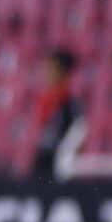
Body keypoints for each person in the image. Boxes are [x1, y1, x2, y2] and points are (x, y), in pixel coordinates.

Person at [32, 49, 84, 177]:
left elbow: (78, 133)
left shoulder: (69, 102)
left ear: (62, 72)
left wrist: (66, 160)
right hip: (42, 159)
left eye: (52, 69)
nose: (47, 73)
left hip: (59, 164)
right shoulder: (46, 98)